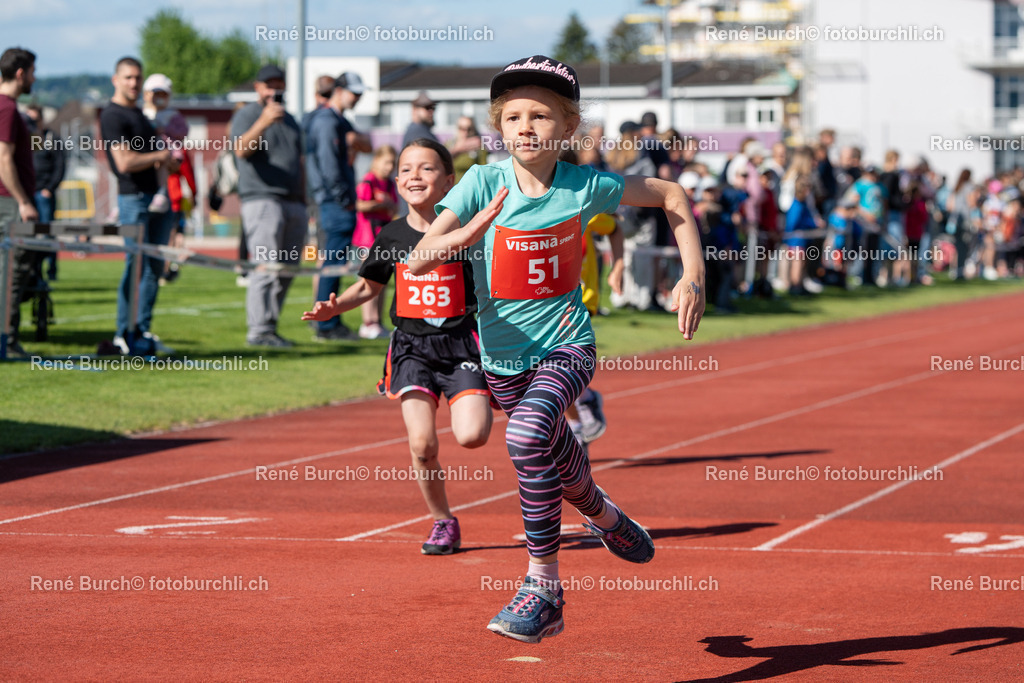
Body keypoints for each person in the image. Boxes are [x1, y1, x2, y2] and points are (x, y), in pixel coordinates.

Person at [407, 54, 705, 643]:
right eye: (513, 115)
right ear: (499, 125)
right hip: (502, 360)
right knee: (555, 456)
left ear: (567, 127)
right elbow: (416, 260)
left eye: (541, 116)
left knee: (524, 438)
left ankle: (542, 587)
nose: (525, 127)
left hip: (567, 343)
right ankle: (605, 515)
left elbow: (672, 194)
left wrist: (693, 272)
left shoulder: (587, 186)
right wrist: (464, 234)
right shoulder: (481, 183)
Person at [302, 139, 492, 554]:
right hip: (411, 348)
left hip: (461, 345)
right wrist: (335, 307)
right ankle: (443, 521)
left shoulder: (468, 231)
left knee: (473, 435)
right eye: (405, 170)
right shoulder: (392, 233)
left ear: (448, 181)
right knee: (422, 445)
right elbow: (369, 285)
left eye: (425, 169)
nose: (414, 177)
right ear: (396, 181)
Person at [100, 56, 179, 355]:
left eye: (138, 78)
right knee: (135, 267)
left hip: (158, 197)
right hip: (133, 197)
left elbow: (158, 151)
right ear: (116, 79)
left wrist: (167, 160)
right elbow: (124, 162)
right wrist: (158, 157)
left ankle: (140, 332)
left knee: (153, 269)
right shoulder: (112, 115)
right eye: (128, 77)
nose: (133, 83)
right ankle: (123, 334)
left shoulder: (143, 116)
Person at [230, 63, 305, 347]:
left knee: (287, 268)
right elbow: (240, 149)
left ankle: (269, 328)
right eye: (269, 84)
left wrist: (304, 199)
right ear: (258, 87)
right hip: (261, 198)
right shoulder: (247, 114)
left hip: (292, 200)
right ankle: (258, 331)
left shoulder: (291, 120)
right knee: (266, 266)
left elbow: (300, 162)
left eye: (279, 84)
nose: (275, 89)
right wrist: (263, 121)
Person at [306, 71, 372, 341]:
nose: (358, 97)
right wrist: (344, 200)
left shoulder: (337, 120)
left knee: (336, 262)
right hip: (334, 203)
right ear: (339, 90)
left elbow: (365, 145)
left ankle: (329, 321)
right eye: (354, 92)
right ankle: (325, 325)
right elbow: (329, 165)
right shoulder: (326, 121)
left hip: (336, 201)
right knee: (332, 263)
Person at [0, 47, 39, 358]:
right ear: (20, 73)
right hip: (9, 202)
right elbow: (3, 158)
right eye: (32, 72)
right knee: (12, 272)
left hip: (8, 200)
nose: (34, 78)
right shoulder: (7, 108)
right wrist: (23, 201)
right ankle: (7, 340)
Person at [353, 144, 398, 339]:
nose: (389, 167)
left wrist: (389, 206)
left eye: (393, 163)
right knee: (368, 282)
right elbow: (360, 205)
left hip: (384, 240)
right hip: (366, 240)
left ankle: (378, 322)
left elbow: (395, 207)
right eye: (387, 162)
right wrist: (380, 204)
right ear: (377, 160)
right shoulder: (368, 181)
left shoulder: (389, 183)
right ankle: (367, 322)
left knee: (383, 282)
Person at [25, 103, 64, 281]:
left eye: (33, 119)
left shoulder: (51, 138)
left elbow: (60, 166)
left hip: (44, 193)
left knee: (48, 231)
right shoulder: (26, 138)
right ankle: (35, 270)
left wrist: (50, 188)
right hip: (28, 193)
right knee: (29, 232)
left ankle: (51, 268)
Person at [448, 116, 487, 183]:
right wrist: (458, 150)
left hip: (471, 187)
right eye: (462, 128)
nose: (465, 132)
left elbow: (484, 171)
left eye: (469, 129)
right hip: (452, 188)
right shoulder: (449, 145)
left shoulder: (479, 147)